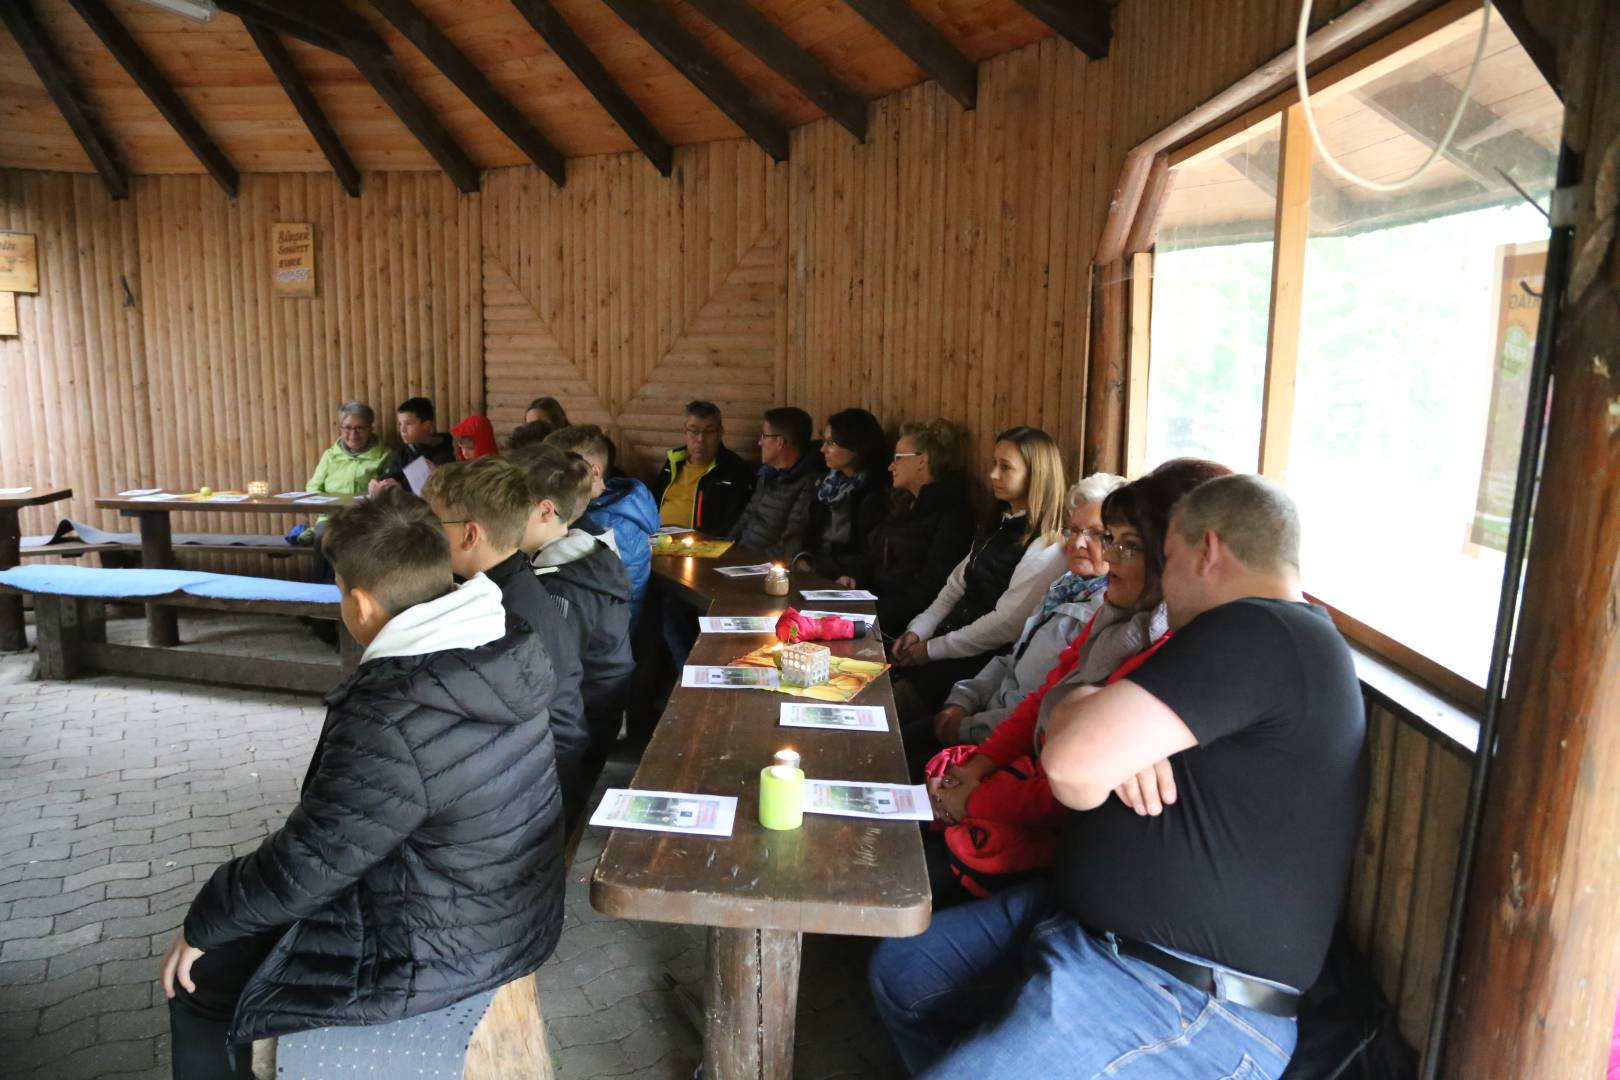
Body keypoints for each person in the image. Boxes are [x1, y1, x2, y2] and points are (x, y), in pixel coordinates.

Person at [869, 474, 1369, 1079]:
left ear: (1206, 550)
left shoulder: (1261, 630)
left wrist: (1091, 722)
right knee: (906, 974)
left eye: (1168, 554)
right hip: (1097, 938)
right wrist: (1095, 716)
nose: (1157, 573)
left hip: (1181, 995)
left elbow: (1072, 769)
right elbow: (1075, 737)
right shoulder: (1254, 640)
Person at [161, 490, 566, 1079]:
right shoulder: (500, 640)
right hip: (506, 905)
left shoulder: (394, 709)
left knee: (199, 979)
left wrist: (207, 920)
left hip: (441, 944)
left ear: (360, 603)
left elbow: (312, 860)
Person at [920, 461, 1227, 902]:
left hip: (1054, 839)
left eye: (1124, 544)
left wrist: (976, 793)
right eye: (1102, 538)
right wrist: (976, 763)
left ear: (1171, 554)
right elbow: (1036, 687)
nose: (1105, 554)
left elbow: (1064, 784)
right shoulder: (1099, 607)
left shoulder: (1166, 646)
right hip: (1008, 774)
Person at [421, 457, 589, 825]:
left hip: (537, 793)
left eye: (433, 524)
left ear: (470, 534)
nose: (425, 534)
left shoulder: (497, 614)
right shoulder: (508, 585)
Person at [929, 472, 1125, 751]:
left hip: (1010, 744)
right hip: (984, 717)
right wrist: (962, 700)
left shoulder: (1105, 613)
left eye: (1095, 534)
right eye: (1074, 530)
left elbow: (1046, 710)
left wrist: (967, 728)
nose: (1078, 543)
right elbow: (1012, 658)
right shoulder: (1064, 584)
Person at [888, 426, 1068, 720]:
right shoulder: (996, 523)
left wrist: (931, 650)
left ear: (1037, 475)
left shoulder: (1047, 544)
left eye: (1006, 467)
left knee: (891, 711)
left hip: (974, 665)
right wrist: (918, 629)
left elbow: (1006, 624)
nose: (993, 475)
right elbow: (955, 586)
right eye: (993, 464)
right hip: (943, 646)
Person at [513, 444, 635, 785]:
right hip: (592, 719)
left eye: (513, 508)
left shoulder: (561, 585)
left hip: (576, 735)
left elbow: (557, 681)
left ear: (545, 511)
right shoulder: (582, 554)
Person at [834, 419, 977, 635]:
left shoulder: (954, 515)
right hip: (875, 606)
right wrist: (854, 578)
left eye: (898, 458)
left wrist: (871, 612)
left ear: (922, 460)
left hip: (905, 624)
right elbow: (874, 557)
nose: (891, 466)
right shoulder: (903, 503)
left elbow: (930, 589)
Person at [546, 423, 659, 626]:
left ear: (595, 473)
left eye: (563, 472)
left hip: (607, 637)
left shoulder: (612, 526)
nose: (552, 482)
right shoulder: (598, 508)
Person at [795, 408, 892, 579]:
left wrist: (829, 572)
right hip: (816, 569)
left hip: (845, 577)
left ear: (855, 447)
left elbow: (869, 553)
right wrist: (803, 558)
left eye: (831, 443)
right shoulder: (827, 484)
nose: (822, 449)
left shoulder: (876, 492)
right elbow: (809, 533)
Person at [728, 406, 823, 560]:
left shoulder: (808, 482)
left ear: (779, 442)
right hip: (739, 557)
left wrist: (748, 562)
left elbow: (791, 541)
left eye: (764, 436)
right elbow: (747, 516)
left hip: (763, 567)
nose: (759, 442)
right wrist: (723, 549)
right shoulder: (768, 473)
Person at [650, 400, 755, 534]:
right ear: (685, 432)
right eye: (694, 431)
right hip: (657, 538)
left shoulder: (733, 469)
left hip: (701, 544)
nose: (700, 438)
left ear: (720, 432)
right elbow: (653, 502)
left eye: (709, 431)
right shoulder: (673, 461)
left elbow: (736, 521)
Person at [371, 396, 456, 495]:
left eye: (408, 424)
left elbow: (435, 488)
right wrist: (380, 482)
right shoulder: (400, 453)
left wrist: (402, 488)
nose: (402, 430)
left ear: (427, 425)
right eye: (400, 424)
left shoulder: (445, 453)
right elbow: (393, 474)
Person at [306, 400, 388, 497]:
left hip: (367, 511)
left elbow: (388, 493)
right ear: (341, 428)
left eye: (360, 428)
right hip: (332, 511)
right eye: (348, 428)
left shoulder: (385, 455)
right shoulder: (330, 455)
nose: (353, 434)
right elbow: (313, 488)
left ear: (370, 429)